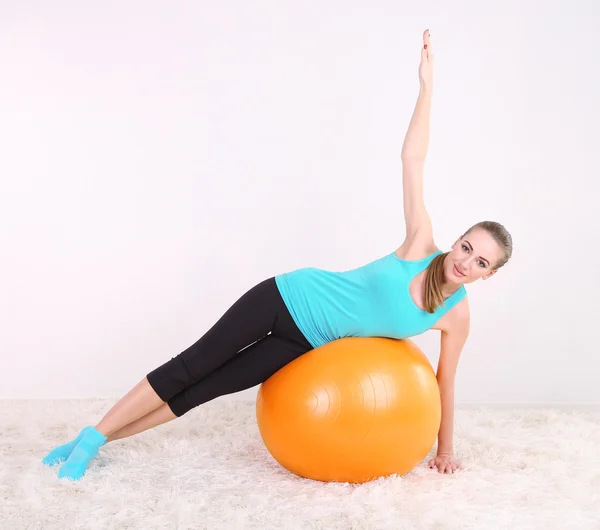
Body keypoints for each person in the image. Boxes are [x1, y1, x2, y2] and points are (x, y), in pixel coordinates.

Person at [42, 29, 512, 480]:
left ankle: (94, 441)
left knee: (205, 390)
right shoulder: (420, 244)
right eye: (467, 246)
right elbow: (413, 160)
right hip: (286, 297)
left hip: (303, 345)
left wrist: (445, 451)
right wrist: (426, 89)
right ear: (457, 240)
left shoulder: (457, 316)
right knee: (192, 366)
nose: (465, 261)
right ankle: (93, 438)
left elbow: (441, 382)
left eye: (480, 262)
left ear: (486, 275)